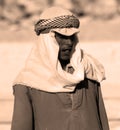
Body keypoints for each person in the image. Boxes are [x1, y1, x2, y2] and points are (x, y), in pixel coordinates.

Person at [11, 6, 109, 130]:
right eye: (61, 36)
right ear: (47, 40)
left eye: (71, 37)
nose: (68, 42)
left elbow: (103, 124)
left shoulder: (89, 71)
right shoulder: (26, 83)